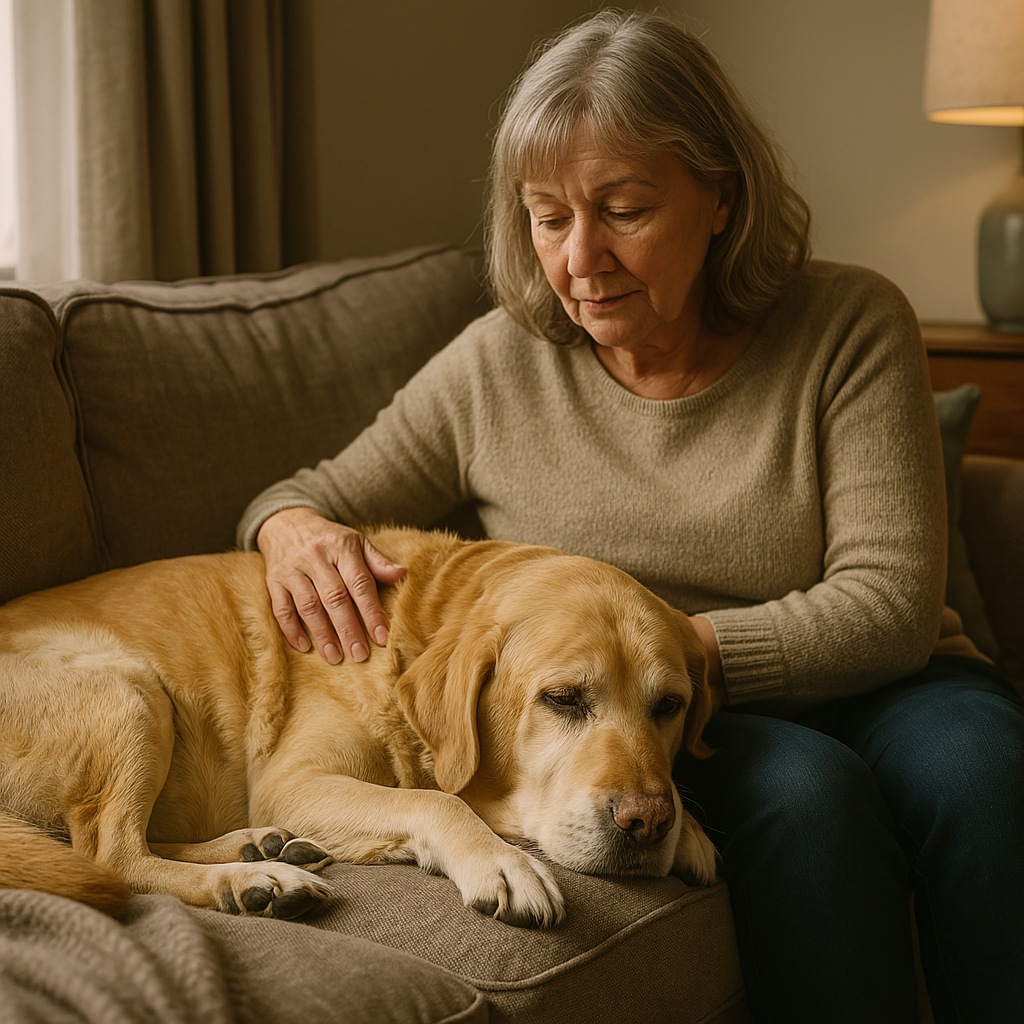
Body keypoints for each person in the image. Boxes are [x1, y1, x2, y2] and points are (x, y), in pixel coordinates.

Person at [237, 10, 1024, 1022]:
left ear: (720, 199)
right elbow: (304, 493)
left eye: (623, 208)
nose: (580, 259)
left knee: (983, 768)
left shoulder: (848, 324)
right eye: (548, 217)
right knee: (810, 799)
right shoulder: (496, 364)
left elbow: (887, 605)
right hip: (661, 718)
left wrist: (668, 657)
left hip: (872, 678)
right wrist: (288, 528)